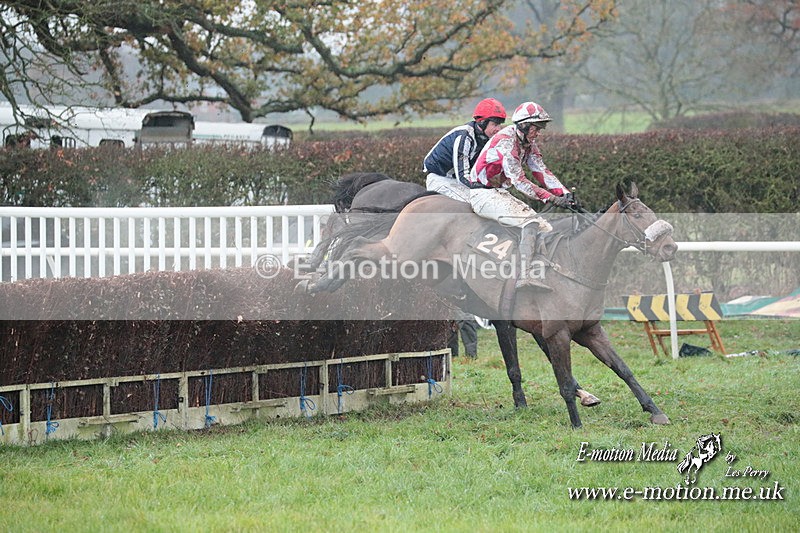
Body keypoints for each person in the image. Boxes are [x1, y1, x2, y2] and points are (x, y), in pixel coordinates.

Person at [469, 101, 575, 291]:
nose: (539, 133)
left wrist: (565, 194)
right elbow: (519, 181)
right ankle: (524, 277)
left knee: (545, 227)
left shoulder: (528, 144)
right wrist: (550, 198)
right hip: (482, 194)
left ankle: (539, 269)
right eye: (537, 128)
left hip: (498, 192)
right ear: (524, 125)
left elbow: (541, 171)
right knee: (529, 222)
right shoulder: (506, 141)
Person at [423, 98, 507, 203]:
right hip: (440, 179)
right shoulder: (464, 136)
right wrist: (486, 188)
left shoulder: (486, 138)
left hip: (455, 181)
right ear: (482, 122)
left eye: (499, 124)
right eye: (494, 124)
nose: (498, 129)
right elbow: (462, 177)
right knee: (476, 203)